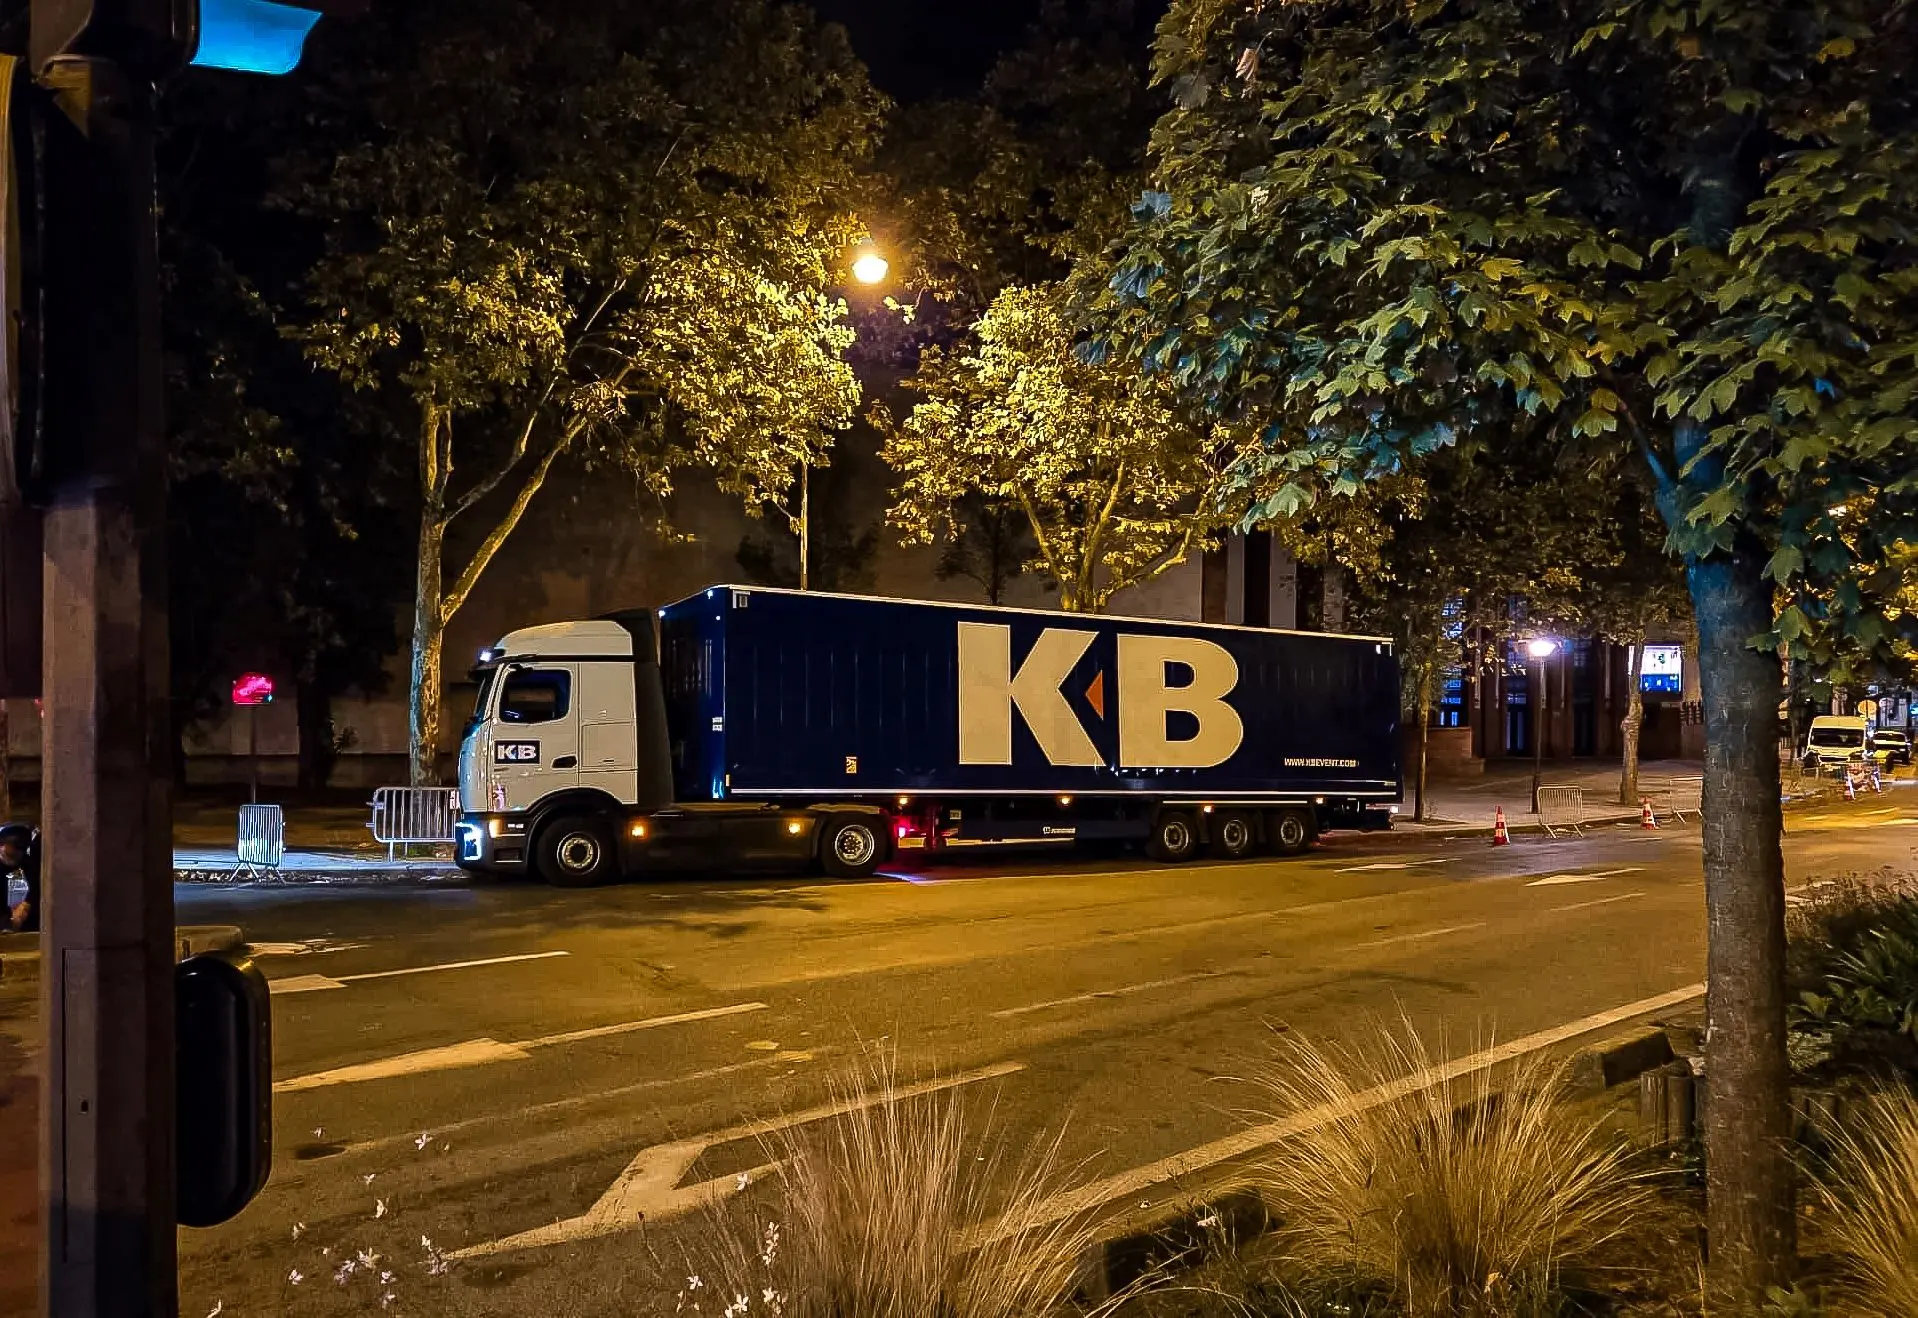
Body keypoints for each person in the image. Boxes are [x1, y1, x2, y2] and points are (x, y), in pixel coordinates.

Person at [2, 824, 39, 933]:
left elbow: (36, 887)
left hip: (28, 926)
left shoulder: (29, 864)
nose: (15, 858)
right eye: (11, 854)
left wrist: (26, 906)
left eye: (19, 853)